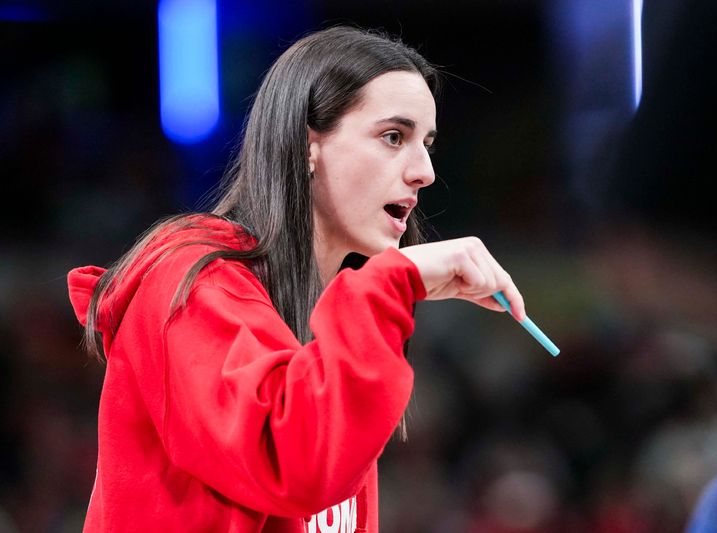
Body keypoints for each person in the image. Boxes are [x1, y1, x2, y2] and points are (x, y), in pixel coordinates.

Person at [66, 25, 526, 532]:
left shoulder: (330, 314)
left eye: (427, 144)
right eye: (393, 137)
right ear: (309, 144)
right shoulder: (190, 280)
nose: (424, 171)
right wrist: (392, 282)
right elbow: (294, 465)